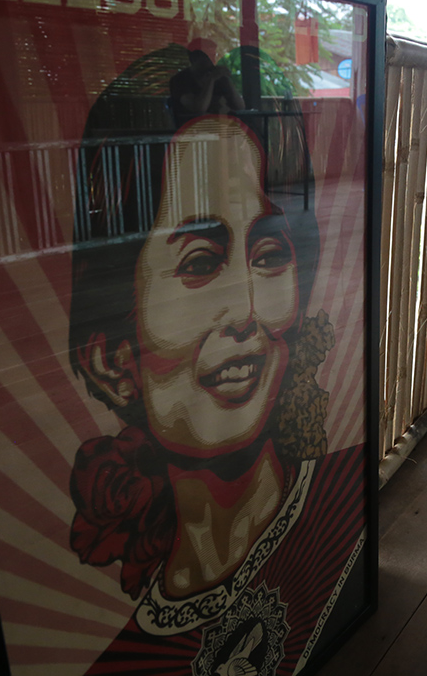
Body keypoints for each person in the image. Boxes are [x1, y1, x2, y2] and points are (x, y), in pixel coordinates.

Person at [67, 44, 365, 676]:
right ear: (110, 359)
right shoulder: (118, 662)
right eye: (201, 263)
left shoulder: (347, 512)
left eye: (268, 254)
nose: (245, 312)